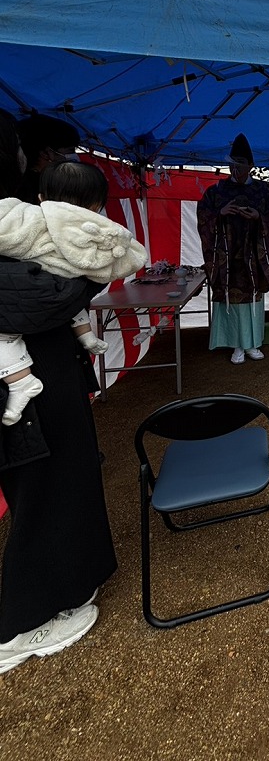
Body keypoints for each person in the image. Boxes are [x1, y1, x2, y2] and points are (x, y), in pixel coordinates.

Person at [0, 110, 117, 674]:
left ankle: (70, 580)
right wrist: (88, 270)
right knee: (40, 483)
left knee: (65, 472)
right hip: (23, 379)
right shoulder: (13, 220)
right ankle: (22, 624)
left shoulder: (28, 213)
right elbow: (38, 298)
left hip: (51, 368)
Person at [0, 160, 147, 424]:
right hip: (61, 333)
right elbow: (128, 259)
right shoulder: (99, 234)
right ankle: (84, 338)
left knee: (5, 337)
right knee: (75, 302)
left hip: (36, 331)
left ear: (41, 197)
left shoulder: (28, 220)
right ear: (98, 205)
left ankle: (20, 379)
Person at [197, 133, 269, 364]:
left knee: (252, 300)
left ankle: (252, 344)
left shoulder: (263, 192)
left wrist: (258, 217)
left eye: (240, 164)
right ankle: (236, 345)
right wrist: (220, 213)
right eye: (232, 164)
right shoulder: (217, 191)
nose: (235, 169)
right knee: (231, 300)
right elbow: (204, 216)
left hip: (254, 255)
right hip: (226, 257)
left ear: (251, 166)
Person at [16, 114, 81, 205]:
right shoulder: (44, 187)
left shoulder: (18, 180)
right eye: (70, 150)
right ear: (46, 153)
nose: (75, 156)